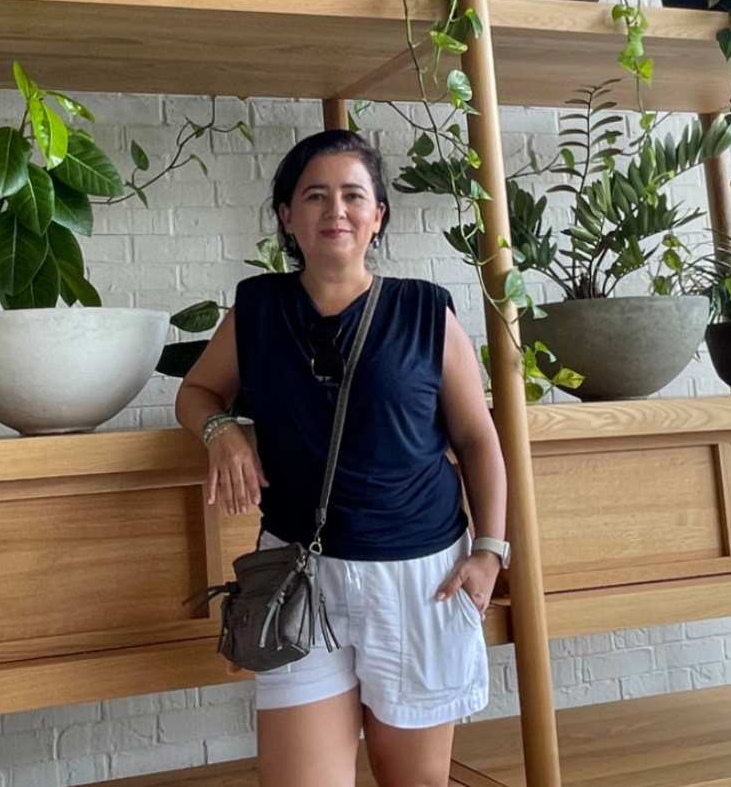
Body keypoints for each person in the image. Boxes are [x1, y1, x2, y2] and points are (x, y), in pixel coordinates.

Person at [175, 129, 509, 787]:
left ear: (377, 216)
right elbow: (196, 390)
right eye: (316, 196)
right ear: (287, 217)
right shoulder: (258, 308)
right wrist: (221, 428)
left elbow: (477, 437)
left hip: (421, 579)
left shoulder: (425, 311)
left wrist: (491, 548)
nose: (336, 210)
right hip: (299, 579)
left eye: (355, 196)